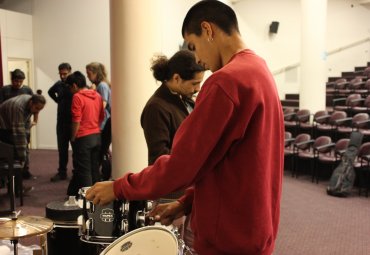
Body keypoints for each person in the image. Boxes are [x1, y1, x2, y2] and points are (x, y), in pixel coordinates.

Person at [86, 1, 284, 254]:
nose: (199, 59)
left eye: (193, 46)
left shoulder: (226, 81)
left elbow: (182, 164)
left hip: (228, 237)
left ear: (208, 30)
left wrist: (118, 187)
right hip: (255, 227)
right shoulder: (259, 70)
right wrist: (187, 202)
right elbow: (231, 160)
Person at [142, 50, 204, 168]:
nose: (198, 89)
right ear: (176, 78)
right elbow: (159, 159)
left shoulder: (185, 98)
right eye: (194, 83)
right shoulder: (156, 108)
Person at [66, 71, 104, 196]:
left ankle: (87, 201)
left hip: (83, 138)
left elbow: (76, 120)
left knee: (84, 171)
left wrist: (72, 137)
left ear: (75, 86)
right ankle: (97, 197)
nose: (70, 90)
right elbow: (101, 116)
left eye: (70, 87)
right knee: (94, 169)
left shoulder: (77, 97)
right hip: (97, 136)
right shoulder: (97, 95)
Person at [0, 94, 46, 193]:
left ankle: (14, 188)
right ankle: (16, 190)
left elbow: (25, 125)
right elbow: (19, 133)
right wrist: (23, 155)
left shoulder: (29, 102)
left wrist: (25, 142)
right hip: (3, 128)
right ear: (31, 103)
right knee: (16, 157)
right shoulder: (18, 107)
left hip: (9, 127)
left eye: (40, 109)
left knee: (17, 156)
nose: (37, 111)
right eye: (37, 108)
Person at [0, 69, 37, 180]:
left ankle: (25, 170)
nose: (18, 83)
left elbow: (36, 106)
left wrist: (35, 120)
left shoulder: (27, 90)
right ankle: (8, 174)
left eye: (20, 81)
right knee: (9, 149)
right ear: (12, 80)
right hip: (7, 125)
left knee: (24, 145)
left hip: (24, 123)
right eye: (16, 81)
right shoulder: (5, 90)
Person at [86, 62, 112, 180]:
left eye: (89, 73)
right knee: (102, 151)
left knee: (101, 152)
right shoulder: (101, 85)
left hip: (103, 123)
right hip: (104, 122)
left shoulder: (102, 86)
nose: (88, 76)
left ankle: (101, 177)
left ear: (96, 73)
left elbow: (102, 104)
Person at [48, 63, 73, 182]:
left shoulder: (74, 84)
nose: (63, 76)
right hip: (61, 122)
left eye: (65, 74)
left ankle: (76, 172)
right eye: (61, 74)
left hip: (73, 122)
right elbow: (50, 92)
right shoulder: (58, 84)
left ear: (70, 71)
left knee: (76, 149)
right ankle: (62, 172)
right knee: (62, 149)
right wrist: (58, 100)